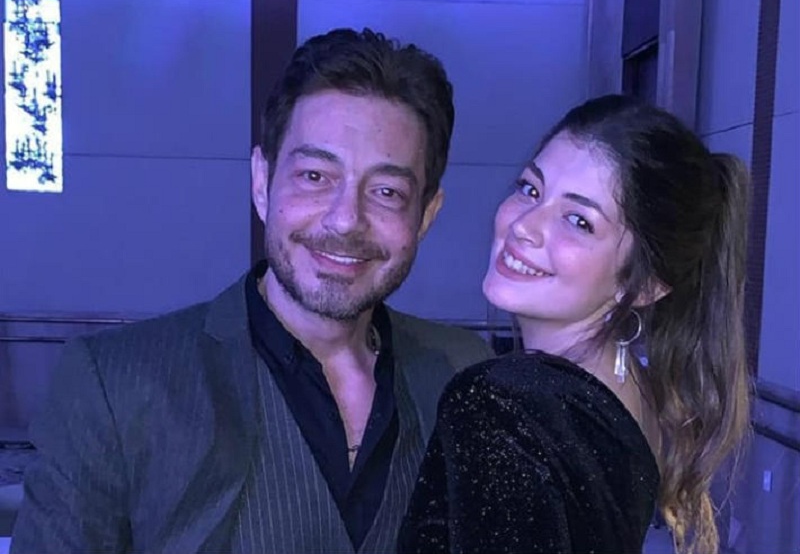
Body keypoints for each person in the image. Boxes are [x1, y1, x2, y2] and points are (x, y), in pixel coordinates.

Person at [11, 28, 494, 554]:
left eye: (386, 191)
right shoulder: (117, 385)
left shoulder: (464, 374)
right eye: (315, 176)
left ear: (426, 214)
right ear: (262, 182)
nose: (345, 220)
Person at [398, 94, 751, 554]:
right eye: (531, 189)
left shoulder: (503, 403)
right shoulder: (640, 398)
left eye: (579, 221)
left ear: (644, 285)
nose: (525, 226)